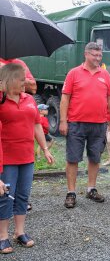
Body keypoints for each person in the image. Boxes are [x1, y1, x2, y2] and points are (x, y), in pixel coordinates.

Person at [0, 63, 54, 254]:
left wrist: (45, 148)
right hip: (6, 159)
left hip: (26, 157)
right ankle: (3, 236)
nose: (27, 82)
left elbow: (36, 125)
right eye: (22, 79)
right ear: (10, 80)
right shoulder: (1, 101)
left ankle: (19, 233)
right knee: (6, 196)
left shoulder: (29, 99)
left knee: (22, 195)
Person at [59, 42, 110, 209]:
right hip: (76, 123)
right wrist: (63, 121)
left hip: (99, 124)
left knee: (95, 158)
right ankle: (71, 192)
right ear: (86, 54)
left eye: (100, 55)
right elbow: (65, 98)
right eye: (94, 55)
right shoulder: (74, 73)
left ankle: (91, 189)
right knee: (73, 159)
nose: (98, 58)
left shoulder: (105, 74)